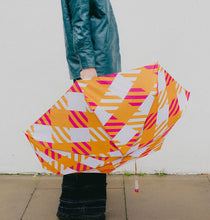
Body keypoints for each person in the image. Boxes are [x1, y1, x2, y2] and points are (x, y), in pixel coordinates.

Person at [57, 0, 121, 219]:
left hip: (100, 65)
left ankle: (85, 206)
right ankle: (79, 208)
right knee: (86, 139)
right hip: (94, 68)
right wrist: (87, 65)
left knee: (91, 138)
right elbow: (79, 20)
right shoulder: (90, 68)